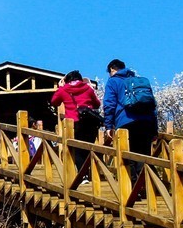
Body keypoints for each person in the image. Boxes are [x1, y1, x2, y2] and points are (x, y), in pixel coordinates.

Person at [103, 59, 158, 189]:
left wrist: (109, 126)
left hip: (127, 122)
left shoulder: (113, 81)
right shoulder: (139, 82)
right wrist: (154, 129)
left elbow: (109, 104)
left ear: (112, 69)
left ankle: (134, 190)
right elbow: (153, 106)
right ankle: (148, 188)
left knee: (129, 156)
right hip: (146, 122)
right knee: (144, 156)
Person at [50, 70, 102, 142]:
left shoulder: (63, 90)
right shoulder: (88, 89)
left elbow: (54, 102)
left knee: (74, 150)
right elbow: (97, 104)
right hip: (89, 124)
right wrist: (91, 88)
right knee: (87, 149)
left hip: (72, 126)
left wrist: (60, 87)